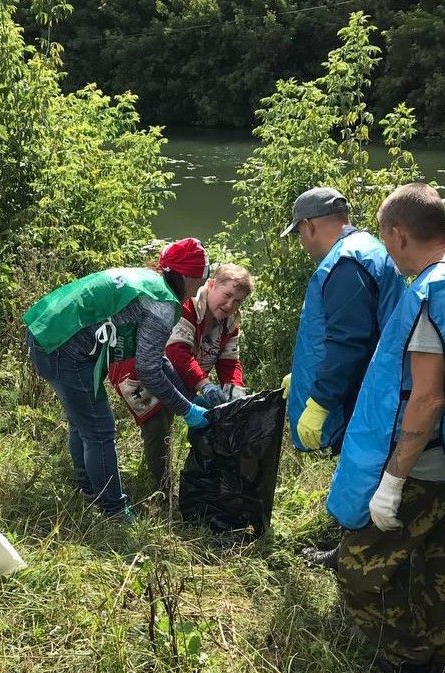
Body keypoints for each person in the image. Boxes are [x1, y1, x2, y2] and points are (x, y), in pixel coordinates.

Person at [326, 182, 445, 673]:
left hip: (425, 466)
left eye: (387, 243)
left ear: (397, 233)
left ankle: (407, 663)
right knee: (441, 571)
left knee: (359, 572)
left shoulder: (436, 291)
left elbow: (427, 399)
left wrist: (390, 482)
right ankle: (429, 672)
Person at [23, 238, 212, 523]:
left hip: (47, 331)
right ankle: (112, 510)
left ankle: (86, 488)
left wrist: (190, 396)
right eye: (202, 279)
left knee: (83, 421)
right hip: (62, 348)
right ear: (187, 276)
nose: (202, 287)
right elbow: (148, 370)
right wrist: (187, 411)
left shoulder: (149, 281)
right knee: (99, 431)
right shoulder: (161, 305)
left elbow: (156, 358)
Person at [282, 187, 405, 568]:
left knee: (363, 474)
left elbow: (348, 342)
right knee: (364, 472)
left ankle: (361, 566)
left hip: (364, 390)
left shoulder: (345, 264)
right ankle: (350, 553)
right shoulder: (368, 248)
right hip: (371, 384)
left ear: (310, 226)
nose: (302, 244)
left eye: (299, 234)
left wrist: (320, 400)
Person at [108, 263, 253, 495]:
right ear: (212, 285)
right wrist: (204, 385)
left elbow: (229, 361)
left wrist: (235, 388)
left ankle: (169, 475)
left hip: (172, 374)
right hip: (134, 366)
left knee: (176, 417)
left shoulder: (231, 322)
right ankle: (163, 491)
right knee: (156, 422)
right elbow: (177, 353)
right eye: (227, 296)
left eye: (237, 301)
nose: (229, 305)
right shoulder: (188, 306)